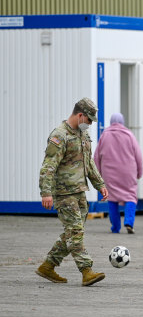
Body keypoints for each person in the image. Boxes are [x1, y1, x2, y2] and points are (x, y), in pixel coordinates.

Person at [36, 97, 109, 286]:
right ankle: (86, 271)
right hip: (63, 193)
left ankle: (48, 266)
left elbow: (89, 162)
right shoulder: (60, 135)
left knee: (73, 232)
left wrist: (99, 184)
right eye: (89, 120)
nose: (90, 124)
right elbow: (48, 166)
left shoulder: (82, 135)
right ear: (80, 115)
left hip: (79, 190)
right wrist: (46, 192)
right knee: (75, 231)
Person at [93, 113, 143, 234]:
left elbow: (96, 157)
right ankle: (129, 222)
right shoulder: (129, 135)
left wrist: (98, 174)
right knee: (131, 196)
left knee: (112, 198)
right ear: (122, 122)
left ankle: (115, 227)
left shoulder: (104, 135)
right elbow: (138, 155)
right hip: (128, 171)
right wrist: (139, 172)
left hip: (109, 173)